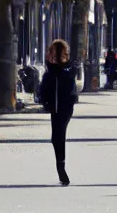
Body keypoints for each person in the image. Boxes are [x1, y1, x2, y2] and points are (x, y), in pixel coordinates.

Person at [39, 39, 78, 186]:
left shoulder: (66, 70)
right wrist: (45, 101)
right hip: (54, 107)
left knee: (58, 136)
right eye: (50, 52)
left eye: (53, 52)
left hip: (64, 107)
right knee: (56, 137)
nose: (50, 55)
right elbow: (45, 88)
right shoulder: (51, 70)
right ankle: (60, 166)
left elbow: (69, 88)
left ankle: (61, 168)